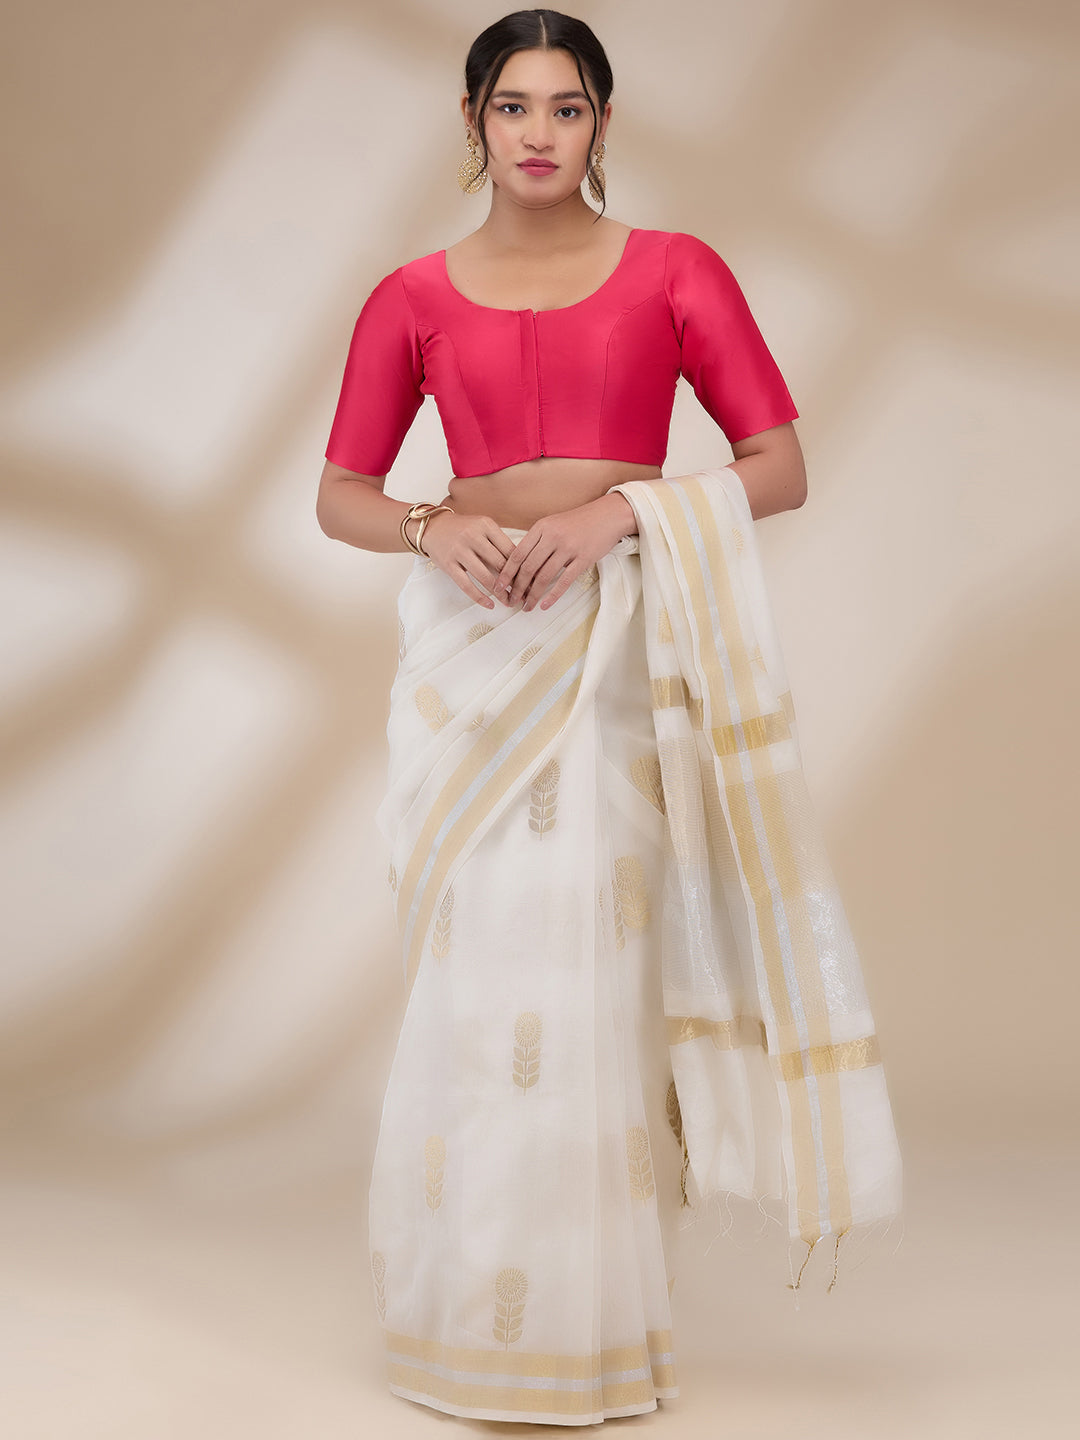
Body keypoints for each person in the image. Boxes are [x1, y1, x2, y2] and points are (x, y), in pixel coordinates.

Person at [316, 9, 903, 1427]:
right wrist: (430, 527)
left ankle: (587, 1334)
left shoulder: (676, 271)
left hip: (616, 645)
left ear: (602, 123)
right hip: (470, 653)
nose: (538, 132)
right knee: (478, 975)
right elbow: (340, 494)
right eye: (511, 106)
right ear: (473, 123)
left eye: (565, 106)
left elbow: (777, 465)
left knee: (587, 967)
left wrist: (620, 513)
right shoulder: (408, 296)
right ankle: (467, 1325)